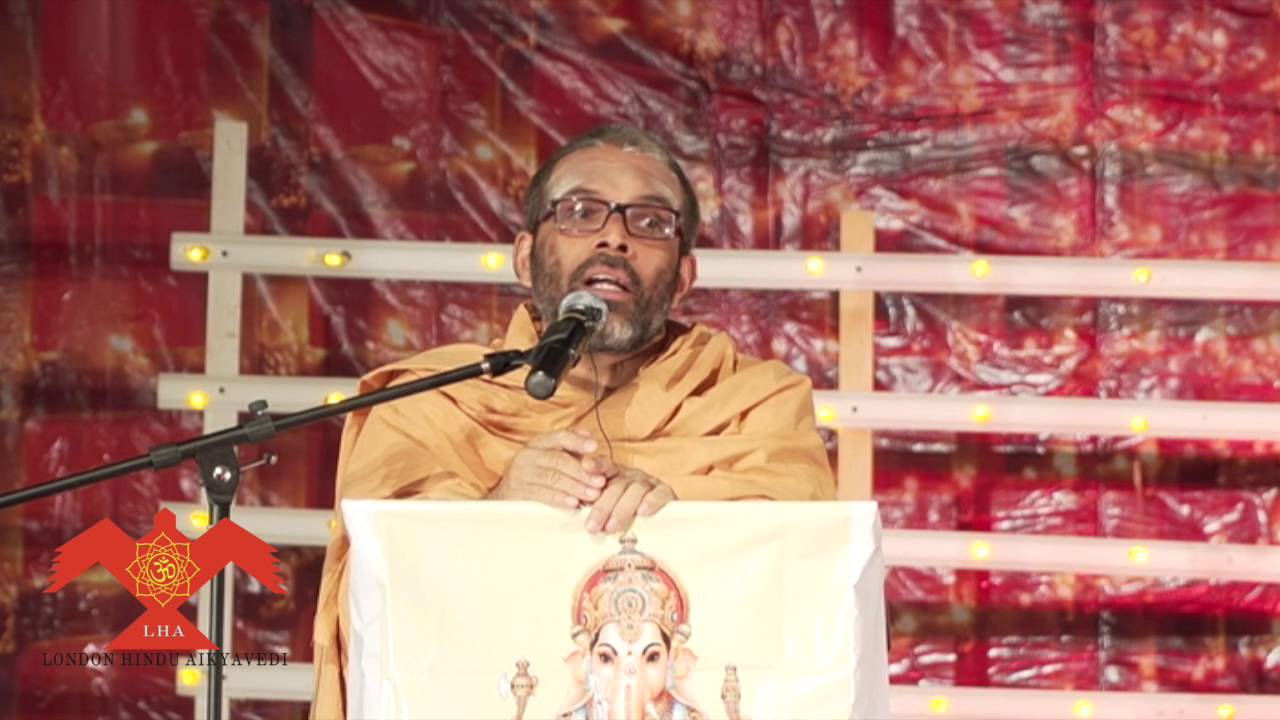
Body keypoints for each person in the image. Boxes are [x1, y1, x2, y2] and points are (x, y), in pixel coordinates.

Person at [310, 125, 835, 719]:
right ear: (525, 255)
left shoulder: (755, 404)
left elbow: (806, 583)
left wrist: (683, 518)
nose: (614, 236)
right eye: (581, 212)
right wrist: (493, 507)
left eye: (650, 222)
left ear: (684, 277)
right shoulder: (430, 404)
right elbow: (377, 601)